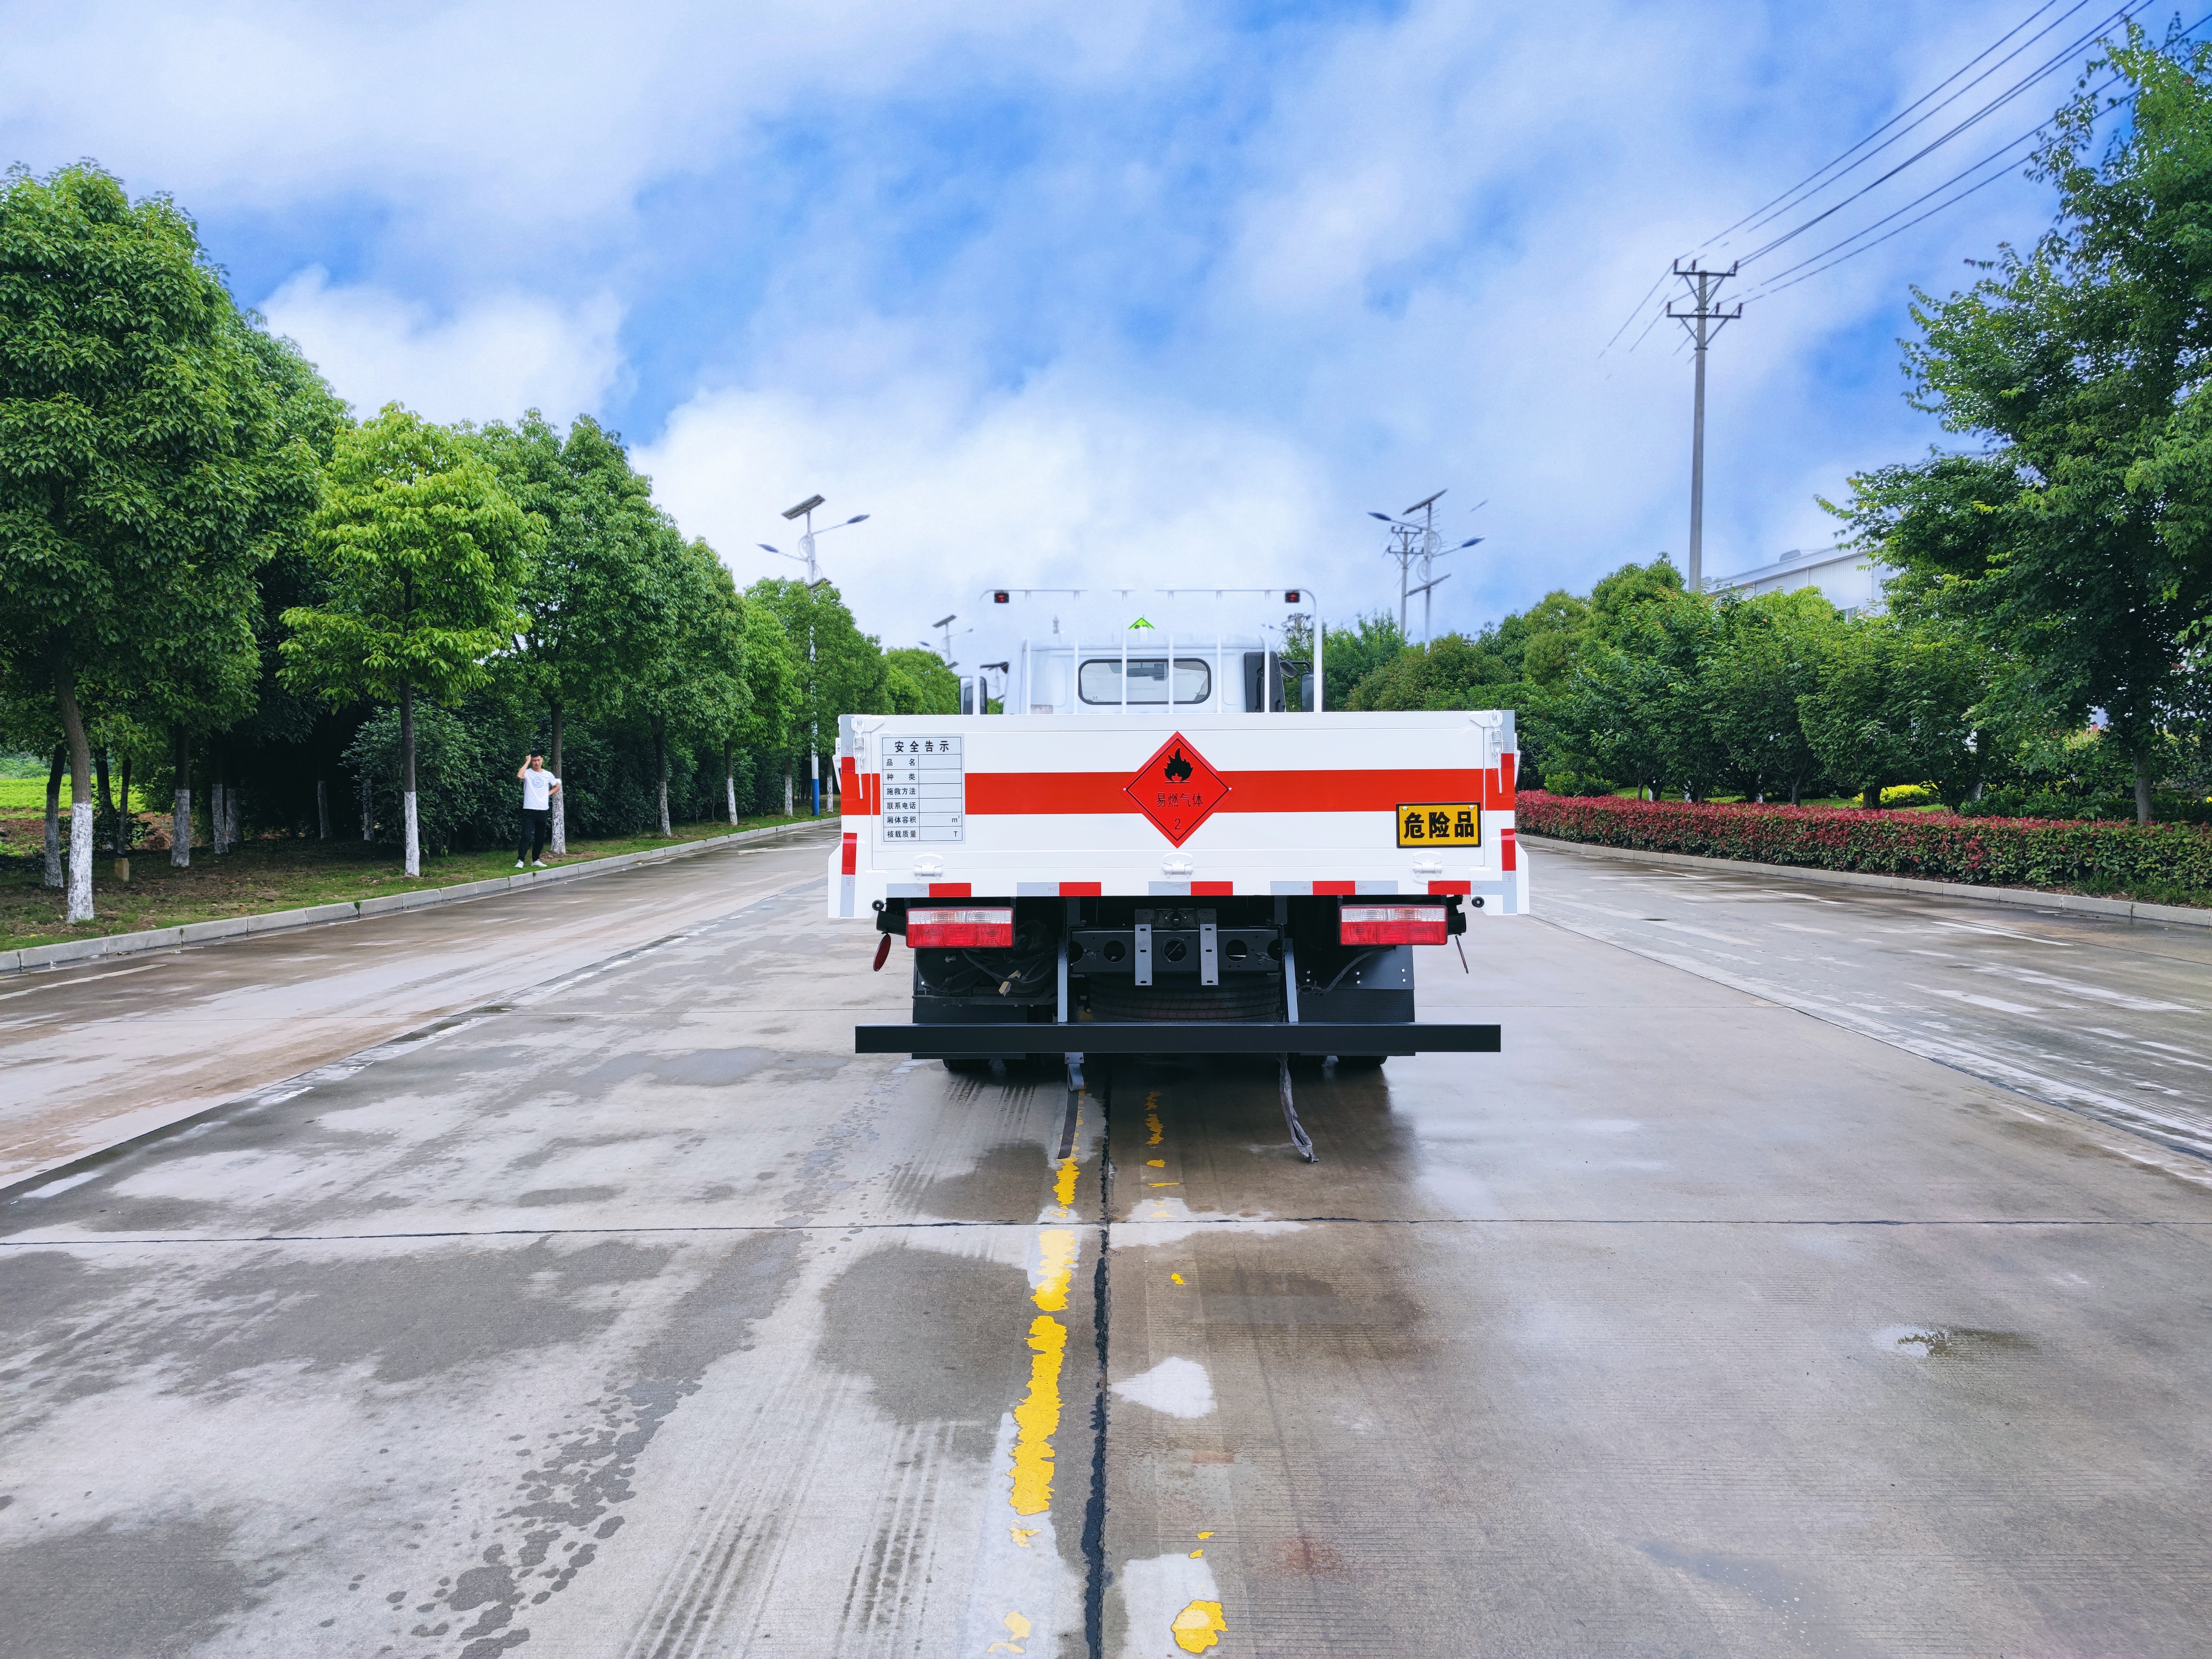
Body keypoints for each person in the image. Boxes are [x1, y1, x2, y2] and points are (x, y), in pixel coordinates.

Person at [516, 753, 561, 867]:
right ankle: (521, 860)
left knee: (540, 836)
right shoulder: (527, 773)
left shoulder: (547, 775)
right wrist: (527, 762)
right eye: (534, 761)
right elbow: (520, 776)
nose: (537, 763)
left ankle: (536, 860)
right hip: (529, 809)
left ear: (542, 760)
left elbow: (557, 786)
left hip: (543, 809)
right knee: (526, 835)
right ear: (532, 762)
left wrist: (548, 794)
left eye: (539, 760)